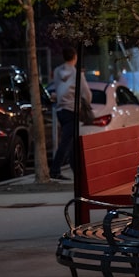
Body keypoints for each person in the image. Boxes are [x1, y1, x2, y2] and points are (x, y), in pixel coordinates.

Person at [50, 47, 89, 180]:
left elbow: (57, 89)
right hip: (72, 110)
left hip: (61, 110)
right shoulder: (77, 74)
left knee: (71, 141)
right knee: (66, 142)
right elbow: (87, 94)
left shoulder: (57, 71)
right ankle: (55, 170)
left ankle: (76, 170)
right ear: (75, 57)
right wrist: (86, 103)